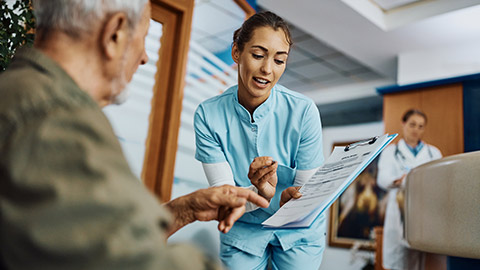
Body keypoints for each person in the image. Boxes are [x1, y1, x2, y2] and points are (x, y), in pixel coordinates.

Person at [0, 1, 273, 269]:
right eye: (142, 37)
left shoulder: (18, 94)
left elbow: (75, 236)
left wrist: (184, 210)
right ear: (115, 33)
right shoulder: (56, 118)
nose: (143, 57)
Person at [194, 11, 326, 270]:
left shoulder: (303, 111)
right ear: (236, 52)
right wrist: (263, 193)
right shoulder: (208, 115)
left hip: (296, 231)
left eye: (279, 60)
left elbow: (304, 196)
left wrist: (284, 201)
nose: (268, 69)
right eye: (258, 55)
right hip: (243, 230)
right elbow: (225, 201)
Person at [377, 109, 442, 270]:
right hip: (398, 206)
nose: (416, 130)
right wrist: (397, 180)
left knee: (418, 256)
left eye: (421, 126)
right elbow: (382, 179)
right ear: (403, 124)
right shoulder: (390, 151)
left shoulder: (433, 153)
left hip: (424, 209)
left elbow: (440, 180)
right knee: (398, 257)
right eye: (412, 124)